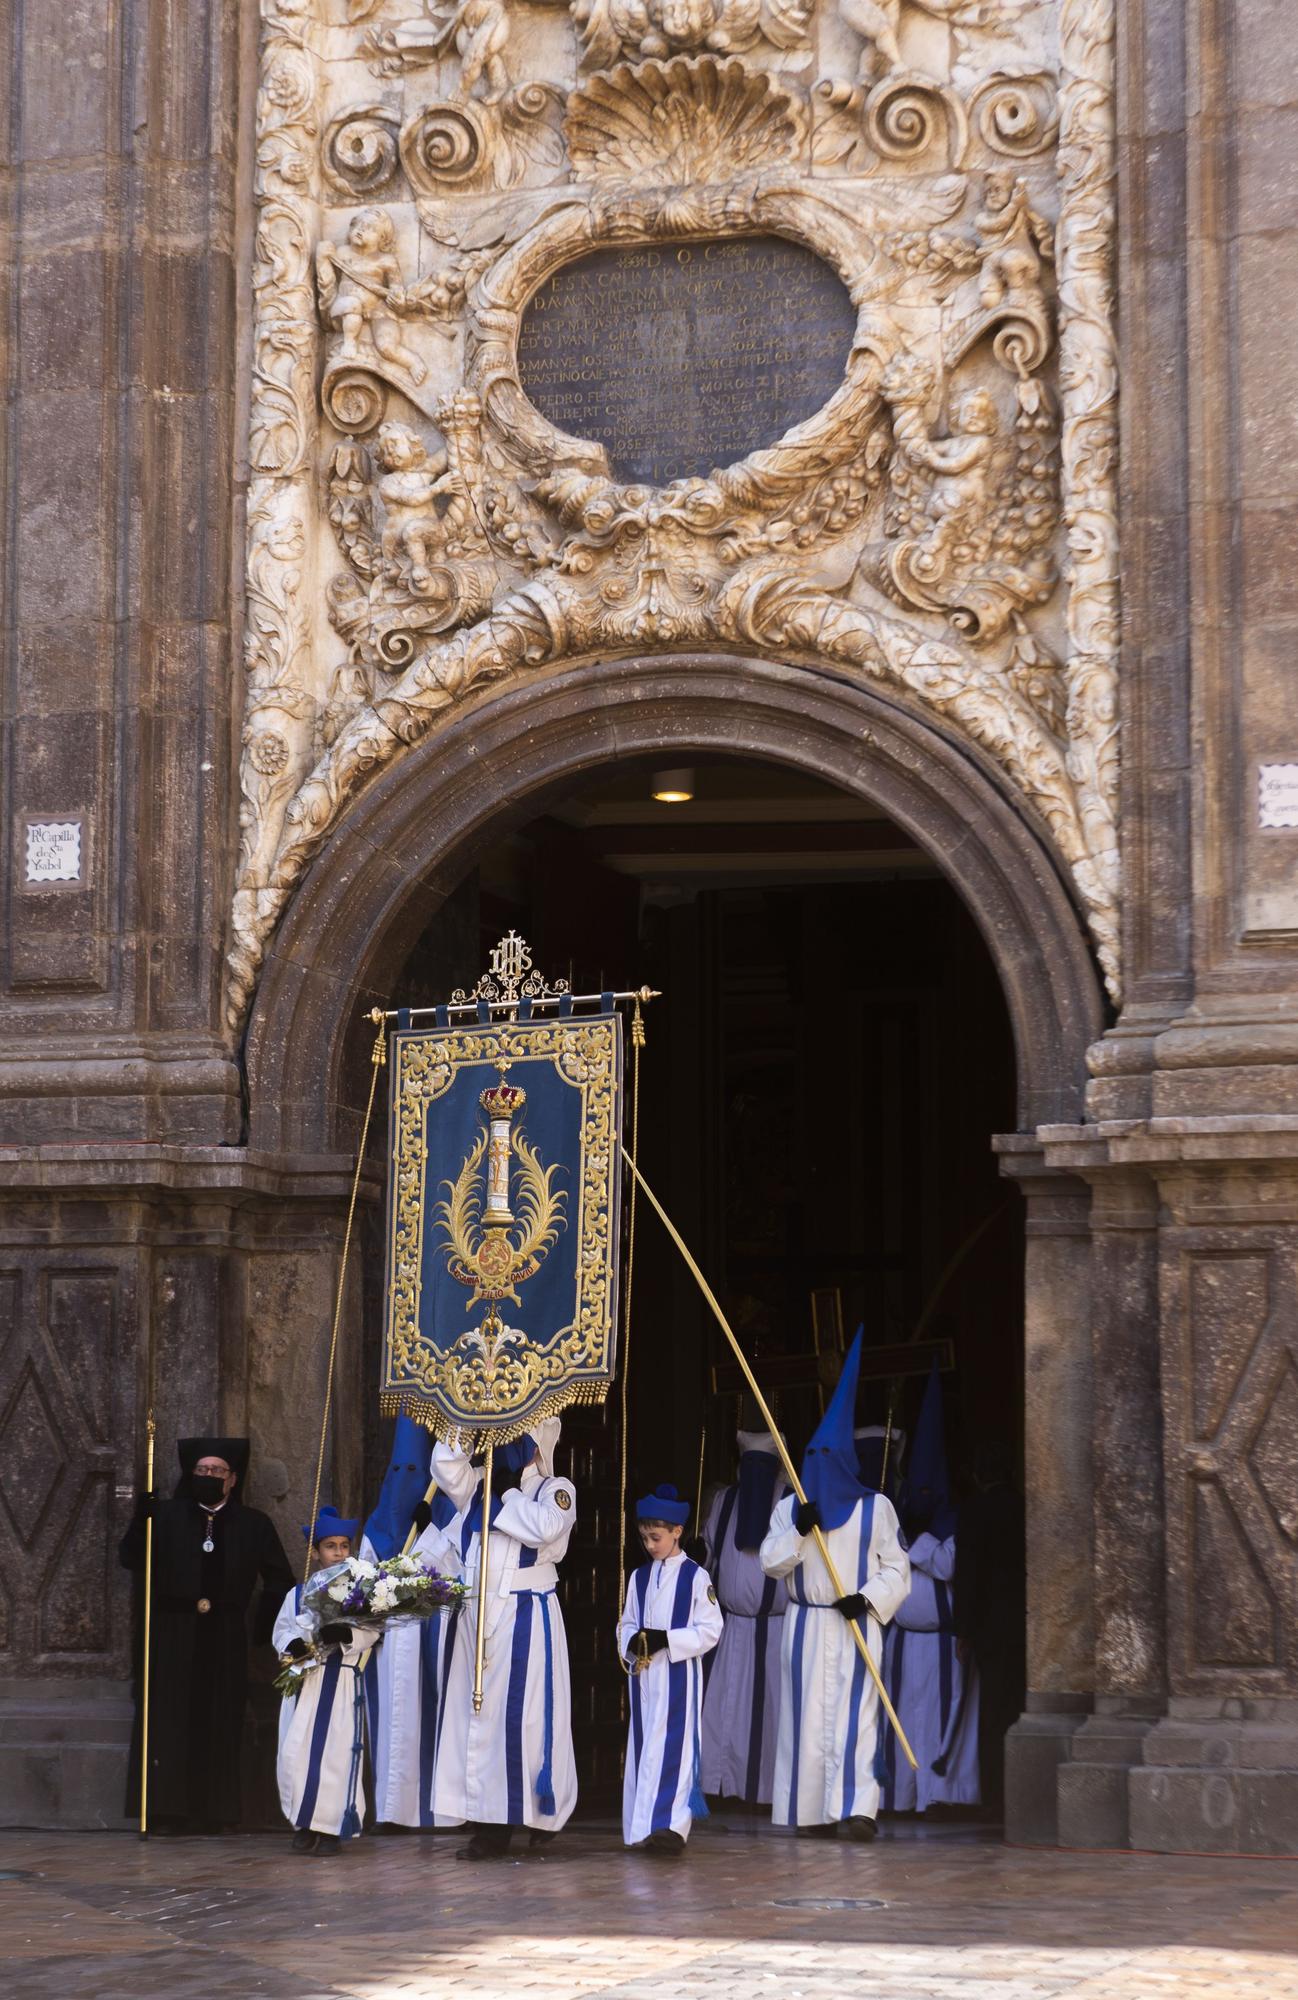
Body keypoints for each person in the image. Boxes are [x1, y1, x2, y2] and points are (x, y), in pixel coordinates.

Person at [760, 1329, 911, 1841]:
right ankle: (810, 1811)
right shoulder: (790, 1508)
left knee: (858, 1716)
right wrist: (801, 1532)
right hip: (805, 1624)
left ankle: (859, 1808)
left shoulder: (877, 1509)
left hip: (855, 1623)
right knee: (806, 1721)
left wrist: (867, 1598)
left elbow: (898, 1569)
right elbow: (769, 1562)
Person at [119, 1435, 294, 1833]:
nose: (208, 1477)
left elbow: (280, 1580)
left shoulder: (254, 1524)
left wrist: (262, 1632)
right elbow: (130, 1559)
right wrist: (140, 1520)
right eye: (201, 1471)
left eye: (216, 1471)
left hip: (224, 1634)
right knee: (169, 1721)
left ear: (232, 1479)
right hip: (173, 1633)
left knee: (220, 1720)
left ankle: (216, 1813)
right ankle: (165, 1812)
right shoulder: (165, 1516)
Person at [431, 1418, 578, 1858]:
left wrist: (505, 1491)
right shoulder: (478, 1481)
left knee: (528, 1720)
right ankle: (488, 1824)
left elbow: (544, 1528)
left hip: (526, 1612)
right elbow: (445, 1469)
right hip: (477, 1615)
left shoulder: (556, 1487)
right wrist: (464, 1418)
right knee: (478, 1723)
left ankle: (540, 1815)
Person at [881, 1363, 979, 1814]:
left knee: (942, 1719)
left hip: (944, 1644)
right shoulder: (896, 1521)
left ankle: (942, 1796)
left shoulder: (955, 1523)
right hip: (903, 1642)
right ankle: (902, 1797)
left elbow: (949, 1564)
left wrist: (918, 1541)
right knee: (902, 1722)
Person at [362, 1412, 462, 1829]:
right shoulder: (378, 1526)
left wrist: (430, 1537)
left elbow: (458, 1573)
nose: (407, 1479)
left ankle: (439, 1812)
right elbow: (362, 1578)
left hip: (431, 1642)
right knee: (391, 1724)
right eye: (400, 1471)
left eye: (414, 1471)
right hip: (389, 1646)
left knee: (435, 1719)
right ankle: (392, 1811)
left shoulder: (449, 1519)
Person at [619, 1485, 724, 1855]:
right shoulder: (638, 1577)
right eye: (644, 1537)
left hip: (678, 1676)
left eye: (656, 1537)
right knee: (646, 1747)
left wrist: (669, 1640)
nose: (649, 1544)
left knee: (674, 1749)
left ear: (677, 1532)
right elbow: (626, 1623)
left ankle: (671, 1828)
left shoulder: (696, 1577)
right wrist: (632, 1641)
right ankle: (642, 1825)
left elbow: (711, 1629)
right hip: (646, 1677)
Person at [273, 1507, 376, 1856]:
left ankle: (332, 1828)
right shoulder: (299, 1592)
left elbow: (372, 1631)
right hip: (306, 1681)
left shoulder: (360, 1591)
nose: (338, 1553)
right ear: (316, 1552)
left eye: (344, 1546)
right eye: (330, 1546)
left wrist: (346, 1631)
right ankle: (303, 1823)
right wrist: (294, 1644)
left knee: (336, 1754)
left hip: (341, 1681)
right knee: (296, 1752)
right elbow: (283, 1629)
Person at [699, 1429, 788, 1807]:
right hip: (731, 1626)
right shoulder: (725, 1500)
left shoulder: (788, 1500)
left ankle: (763, 1792)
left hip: (775, 1627)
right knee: (722, 1712)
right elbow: (710, 1550)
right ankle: (720, 1787)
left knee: (769, 1717)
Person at [954, 1437, 1026, 1817]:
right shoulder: (1024, 1506)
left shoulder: (974, 1511)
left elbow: (967, 1574)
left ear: (978, 1475)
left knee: (992, 1710)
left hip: (987, 1625)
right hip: (1023, 1622)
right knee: (1018, 1704)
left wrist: (962, 1629)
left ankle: (996, 1796)